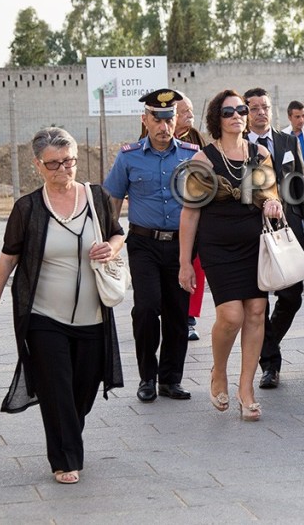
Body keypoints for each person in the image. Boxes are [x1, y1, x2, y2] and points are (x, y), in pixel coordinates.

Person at [0, 128, 124, 485]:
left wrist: (113, 248)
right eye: (53, 164)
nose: (63, 170)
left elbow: (117, 232)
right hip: (44, 316)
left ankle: (68, 435)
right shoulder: (27, 208)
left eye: (68, 161)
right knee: (56, 388)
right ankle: (65, 458)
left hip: (92, 317)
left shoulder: (97, 197)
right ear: (38, 165)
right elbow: (7, 262)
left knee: (82, 392)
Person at [178, 90, 285, 421]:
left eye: (241, 110)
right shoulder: (204, 160)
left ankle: (246, 388)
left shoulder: (260, 153)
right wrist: (185, 262)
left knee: (256, 311)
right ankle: (219, 372)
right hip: (217, 246)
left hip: (255, 243)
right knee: (231, 316)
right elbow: (190, 214)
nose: (237, 115)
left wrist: (272, 203)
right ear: (216, 119)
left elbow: (271, 196)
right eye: (229, 112)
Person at [104, 89, 198, 403]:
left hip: (181, 246)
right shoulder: (128, 156)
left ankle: (170, 380)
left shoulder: (191, 155)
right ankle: (147, 377)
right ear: (145, 120)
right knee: (146, 308)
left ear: (176, 121)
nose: (163, 126)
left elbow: (203, 201)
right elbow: (113, 199)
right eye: (156, 119)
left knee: (177, 313)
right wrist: (110, 242)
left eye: (168, 118)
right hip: (143, 243)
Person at [244, 88, 304, 390]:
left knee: (290, 298)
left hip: (289, 231)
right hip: (253, 232)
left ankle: (266, 344)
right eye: (254, 108)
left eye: (265, 107)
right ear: (246, 113)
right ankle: (270, 365)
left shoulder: (287, 142)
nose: (261, 112)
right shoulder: (239, 147)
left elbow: (302, 188)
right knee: (258, 301)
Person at [172, 93, 206, 341]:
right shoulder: (155, 139)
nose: (190, 115)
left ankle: (190, 318)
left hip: (194, 217)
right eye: (184, 111)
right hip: (167, 218)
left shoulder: (197, 142)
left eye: (191, 110)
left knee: (195, 268)